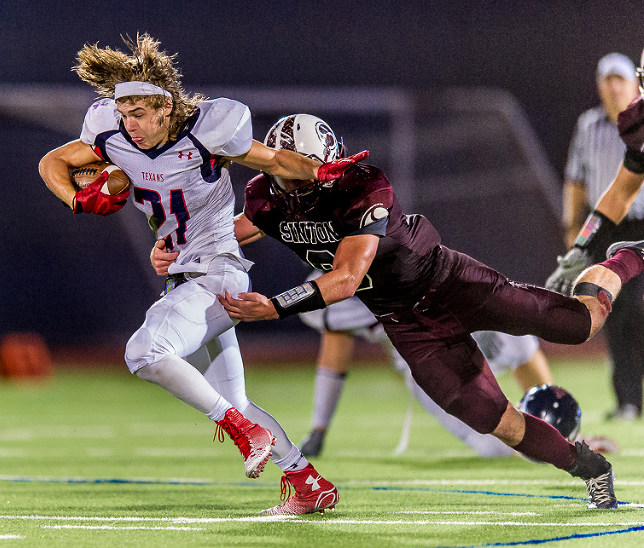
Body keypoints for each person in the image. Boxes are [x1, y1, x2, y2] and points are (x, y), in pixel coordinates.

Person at [211, 112, 644, 510]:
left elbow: (346, 278)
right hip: (406, 322)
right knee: (487, 416)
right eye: (282, 173)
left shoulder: (362, 185)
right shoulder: (265, 196)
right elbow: (240, 228)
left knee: (577, 325)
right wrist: (179, 248)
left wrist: (273, 307)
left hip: (449, 282)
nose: (291, 186)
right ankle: (589, 468)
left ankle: (627, 257)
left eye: (300, 174)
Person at [37, 34, 363, 516]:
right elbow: (53, 162)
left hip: (219, 273)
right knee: (235, 399)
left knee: (145, 352)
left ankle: (240, 431)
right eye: (124, 114)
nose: (132, 125)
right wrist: (77, 199)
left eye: (141, 114)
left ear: (166, 107)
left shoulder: (207, 132)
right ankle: (307, 481)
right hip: (186, 275)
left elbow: (273, 160)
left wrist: (320, 174)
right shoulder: (111, 137)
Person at [296, 285, 618, 458]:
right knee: (497, 445)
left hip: (465, 323)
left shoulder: (398, 242)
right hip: (427, 361)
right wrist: (319, 430)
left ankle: (554, 428)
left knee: (513, 328)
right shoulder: (334, 280)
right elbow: (335, 348)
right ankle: (543, 439)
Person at [547, 52, 644, 421]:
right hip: (622, 234)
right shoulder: (633, 126)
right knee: (617, 307)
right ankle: (629, 400)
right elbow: (618, 194)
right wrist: (582, 243)